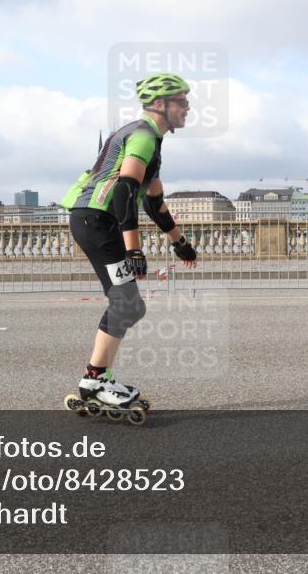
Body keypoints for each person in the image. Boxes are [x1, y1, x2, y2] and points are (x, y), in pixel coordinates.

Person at [62, 72, 199, 412]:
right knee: (127, 303)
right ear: (159, 104)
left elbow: (153, 201)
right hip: (98, 221)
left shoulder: (145, 137)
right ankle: (94, 381)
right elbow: (124, 190)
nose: (187, 107)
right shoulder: (142, 137)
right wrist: (133, 247)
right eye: (181, 101)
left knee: (129, 305)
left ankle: (96, 378)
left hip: (94, 219)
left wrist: (179, 242)